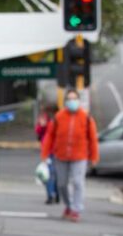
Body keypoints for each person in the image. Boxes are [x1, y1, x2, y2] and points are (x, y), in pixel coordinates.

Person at [40, 89, 99, 222]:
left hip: (80, 156)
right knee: (61, 184)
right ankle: (68, 205)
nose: (72, 101)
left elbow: (93, 139)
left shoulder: (86, 118)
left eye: (74, 99)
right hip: (60, 156)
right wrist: (45, 153)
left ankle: (76, 209)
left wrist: (94, 156)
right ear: (66, 101)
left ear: (78, 101)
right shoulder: (59, 117)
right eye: (69, 99)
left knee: (78, 182)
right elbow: (50, 135)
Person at [35, 104, 59, 205]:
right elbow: (38, 131)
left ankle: (55, 194)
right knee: (50, 175)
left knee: (53, 175)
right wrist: (41, 125)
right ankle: (51, 195)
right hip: (49, 152)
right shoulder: (44, 120)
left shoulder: (56, 121)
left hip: (56, 151)